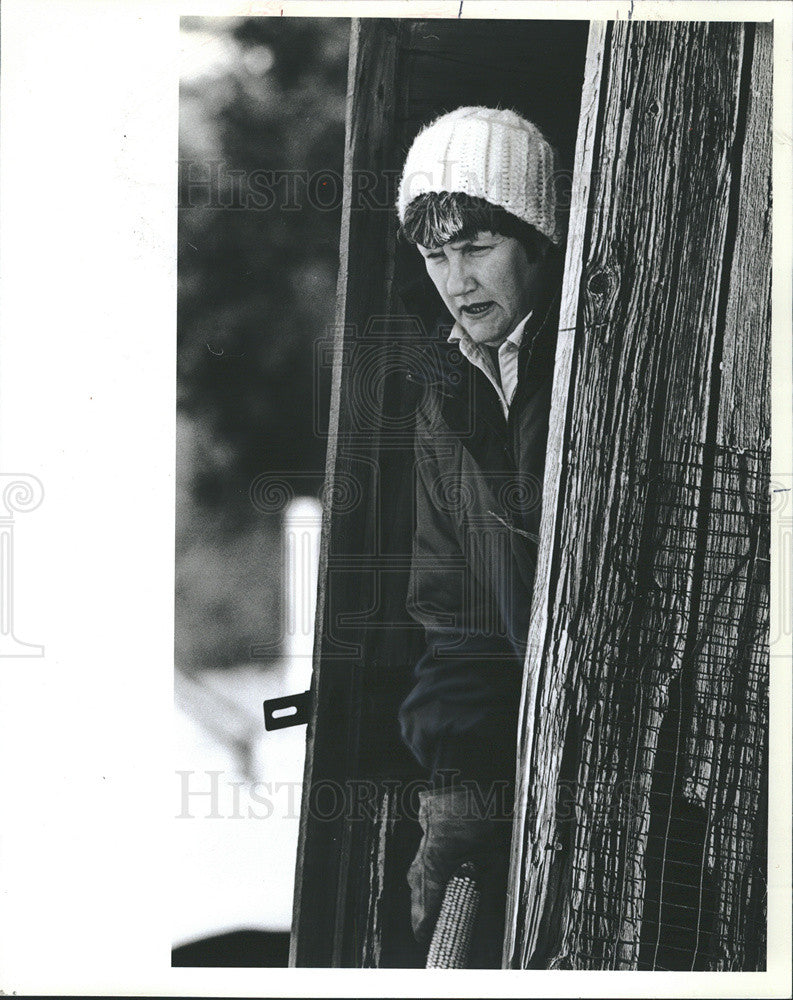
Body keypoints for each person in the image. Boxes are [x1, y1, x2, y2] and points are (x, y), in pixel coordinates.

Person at [394, 106, 565, 966]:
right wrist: (460, 780)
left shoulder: (591, 358)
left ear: (536, 237)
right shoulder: (445, 392)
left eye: (478, 246)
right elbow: (451, 607)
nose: (457, 281)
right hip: (515, 753)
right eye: (435, 254)